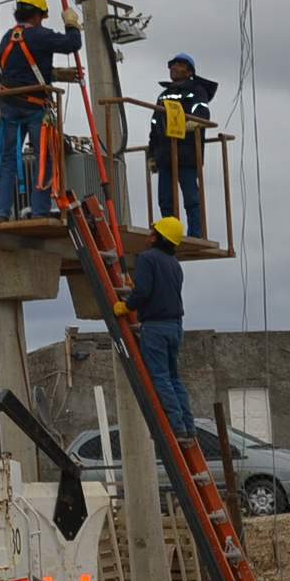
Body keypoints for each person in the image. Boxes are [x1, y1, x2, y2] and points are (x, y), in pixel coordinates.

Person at [0, 0, 81, 223]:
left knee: (8, 158)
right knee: (45, 158)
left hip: (10, 104)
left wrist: (55, 74)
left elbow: (16, 69)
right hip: (34, 107)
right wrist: (72, 24)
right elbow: (72, 44)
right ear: (38, 15)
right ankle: (39, 210)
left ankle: (2, 211)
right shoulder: (40, 35)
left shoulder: (7, 37)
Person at [114, 217, 192, 439]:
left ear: (159, 238)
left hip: (156, 327)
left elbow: (145, 293)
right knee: (174, 378)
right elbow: (158, 290)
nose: (148, 236)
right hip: (175, 326)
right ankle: (187, 426)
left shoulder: (147, 258)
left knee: (161, 378)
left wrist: (126, 305)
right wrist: (137, 287)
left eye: (152, 233)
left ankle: (176, 427)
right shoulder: (174, 263)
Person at [145, 53, 216, 239]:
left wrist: (193, 122)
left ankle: (196, 234)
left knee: (191, 198)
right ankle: (169, 234)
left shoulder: (196, 90)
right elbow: (155, 126)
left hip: (187, 153)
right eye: (172, 65)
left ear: (189, 71)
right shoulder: (163, 95)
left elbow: (202, 112)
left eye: (179, 65)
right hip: (164, 155)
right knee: (165, 199)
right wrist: (151, 155)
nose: (174, 68)